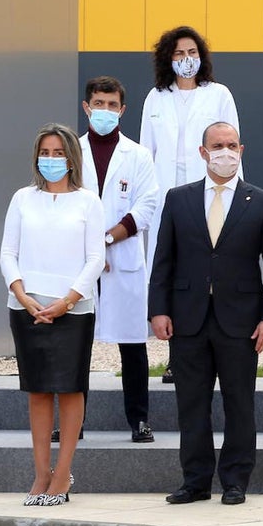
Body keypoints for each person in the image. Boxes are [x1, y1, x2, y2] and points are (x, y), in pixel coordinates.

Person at [149, 122, 263, 507]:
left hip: (241, 321)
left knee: (239, 403)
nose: (225, 152)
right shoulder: (179, 199)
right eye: (217, 145)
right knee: (191, 404)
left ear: (241, 150)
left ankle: (236, 481)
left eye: (231, 145)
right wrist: (158, 310)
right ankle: (194, 481)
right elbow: (164, 259)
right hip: (188, 318)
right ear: (203, 152)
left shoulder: (262, 201)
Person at [0, 124, 105, 506]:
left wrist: (67, 301)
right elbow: (8, 253)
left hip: (73, 309)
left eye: (59, 153)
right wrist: (22, 295)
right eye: (45, 152)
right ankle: (41, 474)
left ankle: (62, 475)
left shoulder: (88, 202)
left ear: (72, 158)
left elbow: (96, 258)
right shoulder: (22, 199)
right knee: (39, 390)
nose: (51, 159)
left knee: (71, 388)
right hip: (26, 308)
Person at [140, 25, 240, 384]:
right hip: (165, 197)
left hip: (209, 193)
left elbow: (232, 149)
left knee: (204, 269)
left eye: (192, 52)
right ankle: (175, 356)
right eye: (179, 53)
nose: (186, 59)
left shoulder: (219, 94)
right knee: (169, 271)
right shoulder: (156, 98)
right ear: (168, 58)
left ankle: (215, 352)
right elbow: (146, 153)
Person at [78, 77, 160, 443]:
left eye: (112, 105)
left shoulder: (138, 155)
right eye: (99, 104)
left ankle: (139, 420)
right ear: (86, 107)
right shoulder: (71, 151)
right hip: (79, 261)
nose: (105, 111)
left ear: (122, 110)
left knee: (132, 346)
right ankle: (73, 422)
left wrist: (106, 240)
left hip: (122, 259)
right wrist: (91, 249)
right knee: (75, 347)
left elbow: (147, 206)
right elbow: (65, 204)